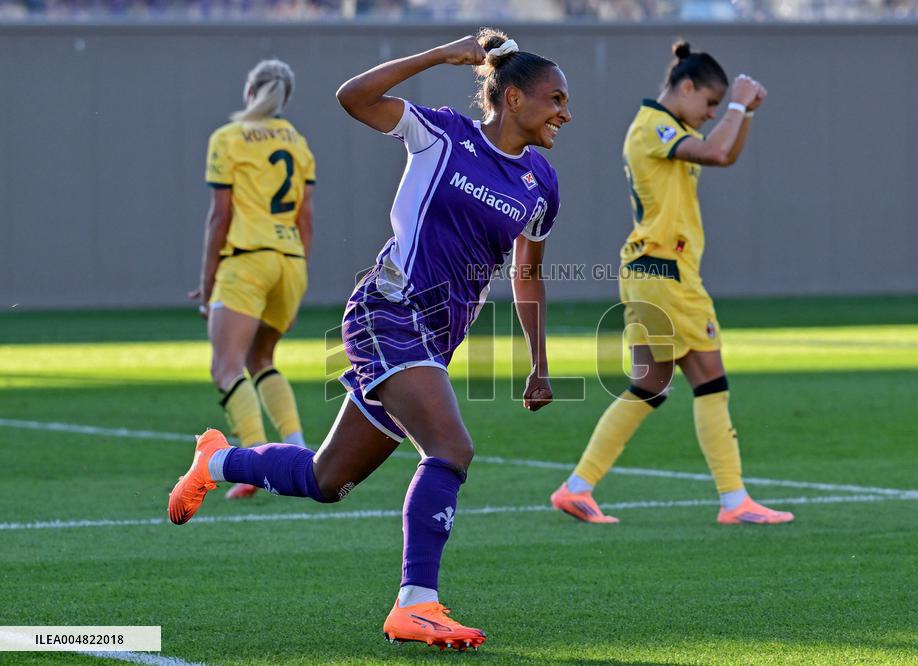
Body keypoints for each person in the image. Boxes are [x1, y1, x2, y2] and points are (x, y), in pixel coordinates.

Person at [169, 28, 569, 651]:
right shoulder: (440, 134)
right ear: (513, 98)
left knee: (327, 480)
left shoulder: (540, 184)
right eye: (555, 98)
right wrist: (441, 55)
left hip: (435, 341)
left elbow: (528, 273)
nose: (565, 112)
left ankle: (215, 461)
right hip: (388, 313)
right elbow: (353, 96)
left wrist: (538, 363)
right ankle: (417, 604)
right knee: (451, 449)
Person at [551, 41, 793, 526]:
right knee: (710, 382)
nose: (709, 115)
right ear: (685, 87)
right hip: (666, 272)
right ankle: (734, 501)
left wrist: (742, 115)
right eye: (709, 104)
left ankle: (578, 486)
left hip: (647, 273)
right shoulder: (654, 125)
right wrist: (740, 105)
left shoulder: (667, 129)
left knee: (650, 385)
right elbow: (718, 152)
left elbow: (723, 153)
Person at [190, 59, 315, 500]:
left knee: (225, 366)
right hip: (290, 262)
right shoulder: (297, 142)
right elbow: (306, 219)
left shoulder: (226, 138)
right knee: (262, 357)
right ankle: (297, 447)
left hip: (247, 259)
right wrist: (295, 285)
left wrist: (208, 283)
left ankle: (254, 462)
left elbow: (219, 216)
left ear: (249, 90)